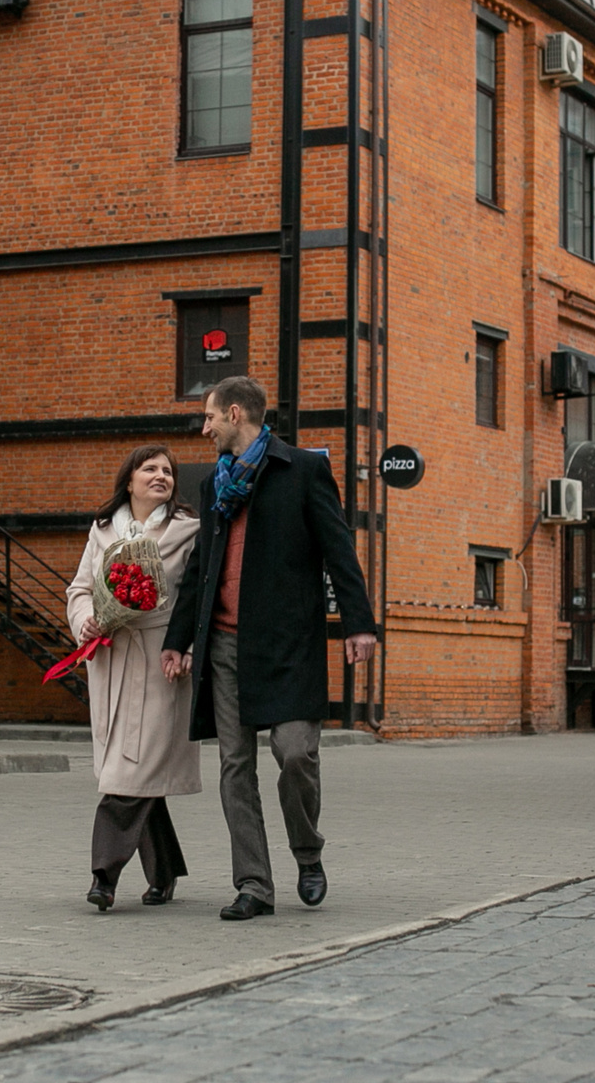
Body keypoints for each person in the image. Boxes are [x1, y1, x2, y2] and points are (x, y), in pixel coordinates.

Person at [159, 376, 379, 921]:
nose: (204, 428)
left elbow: (339, 551)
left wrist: (359, 624)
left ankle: (307, 853)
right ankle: (254, 884)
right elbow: (199, 573)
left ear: (236, 413)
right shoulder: (214, 485)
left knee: (296, 753)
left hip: (288, 646)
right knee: (235, 766)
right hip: (225, 648)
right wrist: (178, 639)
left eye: (210, 417)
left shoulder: (302, 470)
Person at [66, 445, 204, 911]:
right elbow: (81, 588)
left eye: (168, 471)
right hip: (111, 659)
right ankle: (163, 872)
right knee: (137, 770)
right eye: (150, 468)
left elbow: (195, 600)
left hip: (160, 660)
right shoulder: (103, 530)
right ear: (129, 480)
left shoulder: (189, 531)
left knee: (130, 771)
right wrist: (86, 619)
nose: (161, 476)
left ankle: (104, 875)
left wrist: (183, 647)